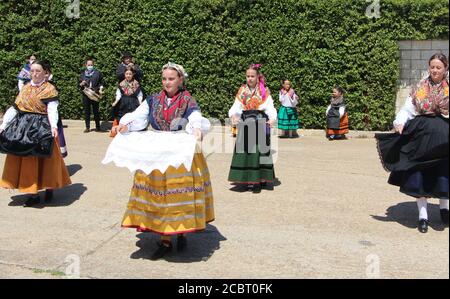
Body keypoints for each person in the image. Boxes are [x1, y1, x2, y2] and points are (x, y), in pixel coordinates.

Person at [112, 62, 214, 260]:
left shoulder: (187, 100)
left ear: (180, 80)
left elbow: (195, 116)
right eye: (164, 78)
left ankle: (181, 230)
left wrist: (196, 128)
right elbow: (139, 116)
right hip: (157, 149)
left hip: (179, 150)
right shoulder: (153, 99)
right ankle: (165, 239)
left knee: (177, 195)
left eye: (171, 78)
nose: (167, 82)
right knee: (159, 196)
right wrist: (125, 125)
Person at [375, 53, 449, 233]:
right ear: (428, 67)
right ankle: (422, 216)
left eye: (439, 67)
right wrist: (399, 122)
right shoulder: (420, 88)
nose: (435, 70)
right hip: (421, 137)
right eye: (432, 67)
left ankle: (444, 209)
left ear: (445, 68)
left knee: (444, 173)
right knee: (419, 174)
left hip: (445, 139)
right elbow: (408, 108)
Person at [0, 60, 71, 207]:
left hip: (42, 126)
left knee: (48, 159)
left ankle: (50, 186)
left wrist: (53, 126)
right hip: (24, 127)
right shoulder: (25, 88)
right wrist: (4, 125)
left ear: (46, 73)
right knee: (27, 160)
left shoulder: (49, 89)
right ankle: (32, 193)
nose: (34, 73)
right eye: (32, 71)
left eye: (38, 71)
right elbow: (15, 108)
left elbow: (52, 109)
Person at [228, 64, 277, 193]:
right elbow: (236, 106)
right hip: (245, 122)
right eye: (248, 76)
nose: (249, 78)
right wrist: (233, 115)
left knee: (259, 150)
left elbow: (270, 107)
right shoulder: (242, 90)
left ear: (257, 77)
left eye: (252, 76)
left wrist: (272, 118)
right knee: (245, 150)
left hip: (260, 121)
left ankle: (261, 179)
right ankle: (244, 179)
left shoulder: (263, 91)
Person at [110, 66, 143, 137]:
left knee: (132, 118)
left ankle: (133, 133)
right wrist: (116, 102)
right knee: (122, 118)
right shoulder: (121, 84)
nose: (128, 75)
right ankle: (121, 132)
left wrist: (140, 103)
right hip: (123, 104)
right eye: (127, 74)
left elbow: (139, 95)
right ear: (124, 74)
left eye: (130, 74)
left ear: (133, 74)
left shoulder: (136, 84)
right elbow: (118, 94)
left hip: (134, 103)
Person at [79, 58, 105, 133]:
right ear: (86, 65)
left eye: (91, 65)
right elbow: (79, 83)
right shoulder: (83, 74)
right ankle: (87, 127)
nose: (90, 66)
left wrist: (101, 88)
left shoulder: (97, 73)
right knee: (87, 111)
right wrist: (81, 84)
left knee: (96, 111)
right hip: (86, 94)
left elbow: (101, 82)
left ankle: (98, 127)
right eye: (88, 65)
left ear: (93, 65)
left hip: (95, 94)